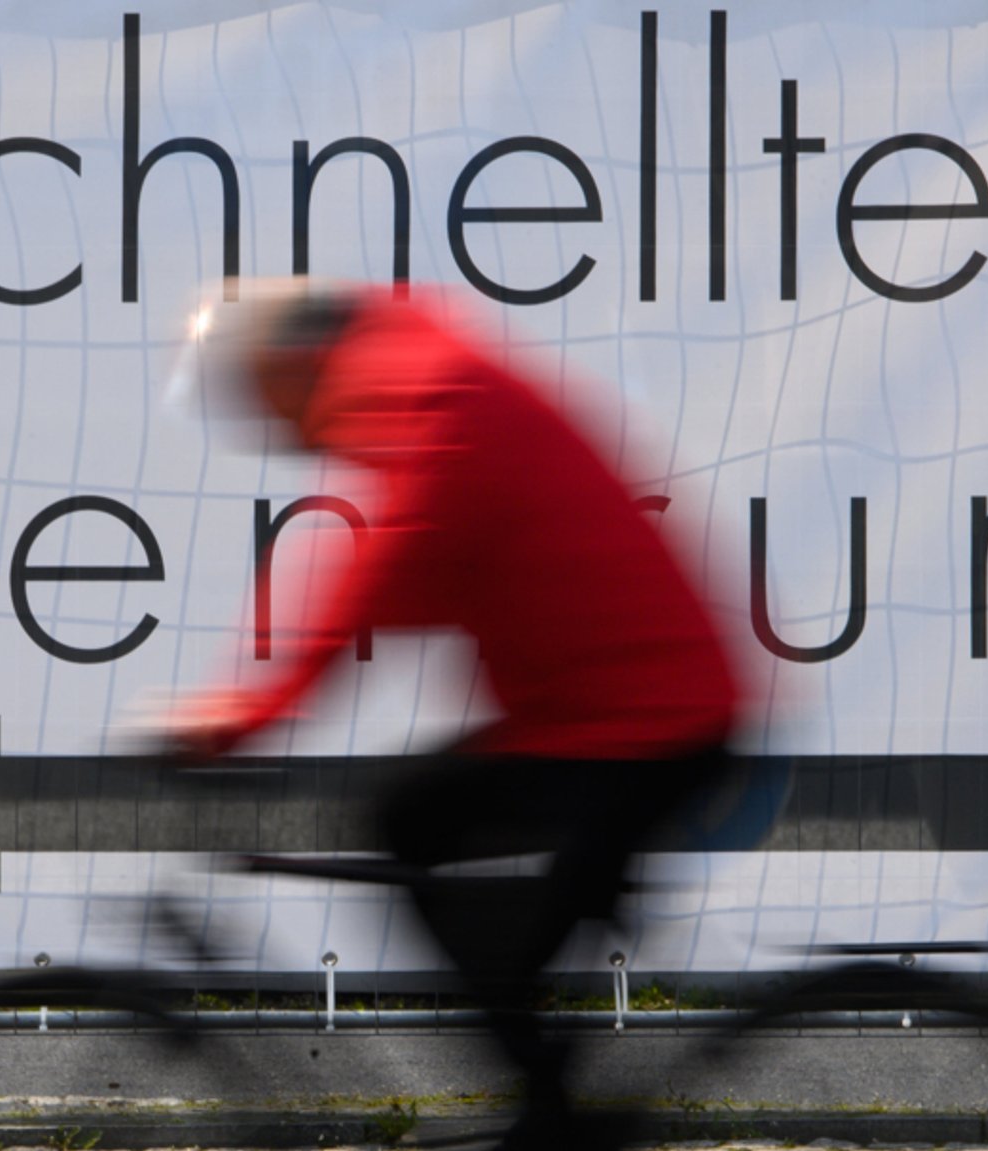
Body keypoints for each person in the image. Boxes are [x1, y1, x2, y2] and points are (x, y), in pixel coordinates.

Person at [162, 280, 745, 1150]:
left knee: (413, 817)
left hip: (646, 723)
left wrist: (246, 713)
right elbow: (418, 577)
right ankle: (552, 1102)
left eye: (255, 394)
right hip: (604, 710)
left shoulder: (429, 399)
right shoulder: (415, 374)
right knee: (455, 852)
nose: (264, 424)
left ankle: (552, 1111)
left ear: (290, 368)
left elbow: (387, 566)